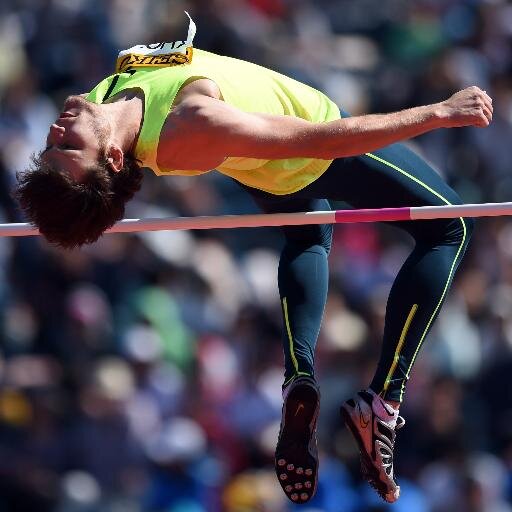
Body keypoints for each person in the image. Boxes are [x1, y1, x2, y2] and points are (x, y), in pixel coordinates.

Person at [15, 16, 493, 505]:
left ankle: (299, 377)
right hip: (307, 145)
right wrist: (438, 112)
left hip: (261, 162)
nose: (56, 129)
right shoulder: (189, 125)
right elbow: (327, 139)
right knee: (453, 225)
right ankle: (384, 401)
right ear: (114, 158)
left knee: (308, 236)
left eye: (53, 144)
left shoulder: (105, 94)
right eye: (68, 146)